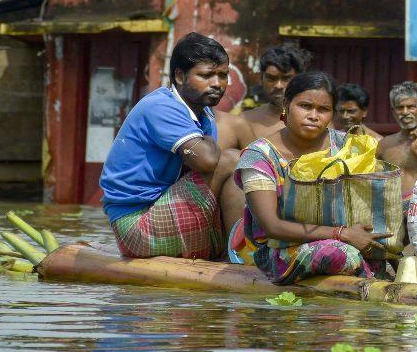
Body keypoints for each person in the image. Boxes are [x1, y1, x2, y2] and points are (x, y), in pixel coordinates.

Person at [232, 71, 389, 284]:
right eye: (305, 106)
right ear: (286, 105)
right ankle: (377, 283)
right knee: (339, 254)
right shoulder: (260, 156)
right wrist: (341, 234)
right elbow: (272, 226)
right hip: (281, 250)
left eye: (323, 109)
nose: (313, 115)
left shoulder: (346, 146)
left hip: (351, 236)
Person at [99, 32, 245, 260]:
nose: (217, 84)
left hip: (160, 208)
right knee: (233, 160)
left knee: (241, 164)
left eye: (223, 75)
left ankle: (237, 252)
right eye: (206, 75)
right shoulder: (161, 107)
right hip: (136, 225)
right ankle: (238, 257)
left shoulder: (202, 111)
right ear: (179, 76)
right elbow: (207, 161)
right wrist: (209, 142)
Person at [217, 42, 311, 150]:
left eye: (286, 78)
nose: (278, 85)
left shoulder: (313, 119)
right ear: (261, 78)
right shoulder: (244, 121)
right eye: (271, 78)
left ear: (299, 79)